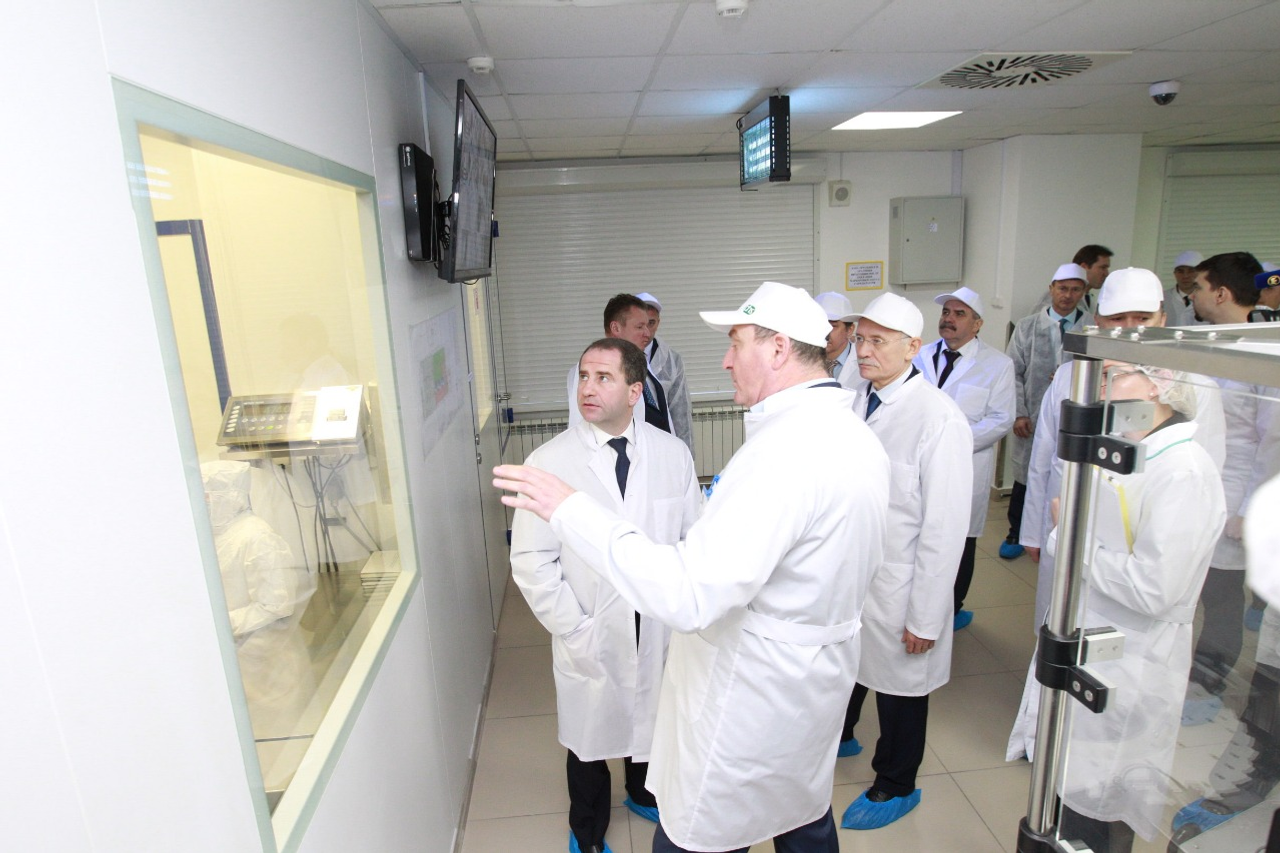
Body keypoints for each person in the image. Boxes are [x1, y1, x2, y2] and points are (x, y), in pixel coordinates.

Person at [495, 280, 890, 853]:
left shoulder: (782, 455)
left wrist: (571, 509)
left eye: (736, 343)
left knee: (704, 828)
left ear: (778, 348)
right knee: (800, 817)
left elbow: (688, 593)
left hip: (754, 693)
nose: (726, 360)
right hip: (810, 684)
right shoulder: (849, 434)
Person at [1007, 364, 1226, 852]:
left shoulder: (1184, 470)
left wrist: (1072, 536)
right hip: (1092, 641)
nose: (1102, 381)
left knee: (1099, 808)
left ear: (1160, 384)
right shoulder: (1126, 446)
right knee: (1067, 794)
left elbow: (1155, 589)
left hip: (1131, 659)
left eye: (1118, 372)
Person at [511, 338, 702, 853]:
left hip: (656, 621)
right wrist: (575, 628)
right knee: (589, 737)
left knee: (653, 718)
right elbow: (530, 560)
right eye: (583, 376)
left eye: (603, 378)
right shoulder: (549, 460)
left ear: (635, 391)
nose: (587, 389)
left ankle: (643, 791)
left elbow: (692, 535)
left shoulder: (672, 454)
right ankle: (587, 829)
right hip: (590, 621)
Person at [1019, 268, 1226, 629]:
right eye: (1117, 319)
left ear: (1162, 319)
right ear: (1098, 321)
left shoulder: (1195, 387)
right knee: (1056, 628)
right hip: (1064, 526)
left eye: (1142, 318)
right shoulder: (1071, 378)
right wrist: (1034, 532)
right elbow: (1044, 459)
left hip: (1135, 556)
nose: (1130, 329)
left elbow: (1200, 488)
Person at [836, 293, 972, 831]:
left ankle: (896, 782)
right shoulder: (854, 400)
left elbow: (944, 530)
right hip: (854, 576)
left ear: (913, 347)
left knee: (900, 690)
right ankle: (841, 736)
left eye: (877, 341)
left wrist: (927, 617)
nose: (863, 351)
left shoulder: (938, 419)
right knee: (849, 669)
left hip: (902, 584)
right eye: (860, 339)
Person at [1182, 251, 1267, 716]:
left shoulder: (1264, 352)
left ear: (1221, 293)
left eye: (1197, 286)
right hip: (1195, 485)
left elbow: (1273, 441)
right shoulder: (1210, 343)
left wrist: (1249, 508)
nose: (1191, 294)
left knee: (1221, 596)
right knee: (1189, 587)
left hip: (1234, 495)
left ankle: (1207, 687)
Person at [914, 286, 1015, 632]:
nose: (949, 319)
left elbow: (1001, 419)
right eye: (946, 312)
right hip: (917, 462)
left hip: (966, 465)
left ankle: (954, 608)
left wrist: (952, 443)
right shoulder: (919, 356)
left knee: (961, 539)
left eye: (959, 314)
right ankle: (920, 604)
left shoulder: (997, 365)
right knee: (919, 532)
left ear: (978, 323)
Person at [201, 460, 317, 741]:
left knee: (277, 740)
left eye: (207, 497)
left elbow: (276, 605)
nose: (201, 505)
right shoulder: (213, 537)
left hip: (265, 658)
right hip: (236, 655)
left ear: (229, 496)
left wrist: (221, 623)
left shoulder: (257, 537)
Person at [1002, 264, 1092, 560]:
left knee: (1069, 477)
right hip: (1033, 413)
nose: (1068, 295)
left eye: (1075, 290)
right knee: (1026, 475)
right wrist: (1019, 412)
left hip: (1076, 418)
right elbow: (1013, 372)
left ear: (1084, 292)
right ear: (1051, 288)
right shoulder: (1028, 327)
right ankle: (1017, 531)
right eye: (1062, 288)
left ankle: (1060, 533)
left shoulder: (1092, 329)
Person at [568, 294, 670, 435]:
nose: (647, 333)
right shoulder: (590, 368)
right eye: (640, 327)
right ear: (616, 328)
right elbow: (581, 424)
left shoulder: (640, 363)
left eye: (648, 325)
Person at [634, 292, 695, 457]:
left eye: (651, 323)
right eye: (640, 325)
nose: (646, 331)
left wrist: (687, 456)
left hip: (665, 443)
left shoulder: (671, 360)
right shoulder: (615, 357)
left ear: (658, 322)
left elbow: (680, 410)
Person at [1034, 245, 1114, 313]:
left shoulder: (1090, 298)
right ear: (1083, 267)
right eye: (1103, 268)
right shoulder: (1053, 298)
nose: (1106, 274)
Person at [813, 291, 857, 387]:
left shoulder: (863, 363)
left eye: (833, 326)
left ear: (849, 330)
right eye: (818, 324)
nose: (824, 332)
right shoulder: (799, 359)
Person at [1162, 250, 1205, 327]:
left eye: (1191, 271)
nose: (1185, 276)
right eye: (1180, 271)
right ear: (1175, 273)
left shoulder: (1210, 300)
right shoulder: (1163, 299)